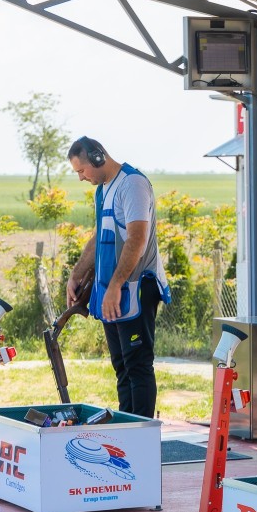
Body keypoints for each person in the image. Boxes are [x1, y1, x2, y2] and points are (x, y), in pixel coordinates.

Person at [66, 136, 170, 419]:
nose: (80, 177)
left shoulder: (132, 184)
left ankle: (141, 433)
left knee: (137, 366)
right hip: (114, 291)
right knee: (122, 367)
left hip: (135, 288)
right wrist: (77, 274)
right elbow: (99, 236)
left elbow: (137, 239)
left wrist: (115, 285)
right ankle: (126, 428)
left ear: (98, 158)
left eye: (82, 170)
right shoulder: (103, 190)